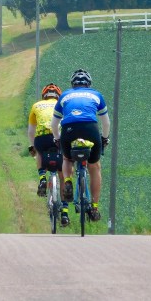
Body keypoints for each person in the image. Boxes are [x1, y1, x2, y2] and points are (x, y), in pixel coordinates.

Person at [51, 69, 111, 223]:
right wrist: (104, 138)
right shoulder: (96, 95)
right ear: (89, 84)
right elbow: (106, 123)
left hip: (69, 129)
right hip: (91, 128)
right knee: (95, 166)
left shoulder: (64, 95)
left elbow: (54, 124)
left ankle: (68, 181)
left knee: (67, 159)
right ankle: (95, 208)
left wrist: (57, 139)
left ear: (73, 84)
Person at [27, 83, 70, 226]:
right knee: (63, 174)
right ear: (58, 96)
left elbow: (31, 131)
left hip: (42, 138)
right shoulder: (63, 105)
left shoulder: (36, 105)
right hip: (59, 138)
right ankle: (65, 213)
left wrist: (32, 146)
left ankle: (42, 178)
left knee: (39, 151)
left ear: (44, 96)